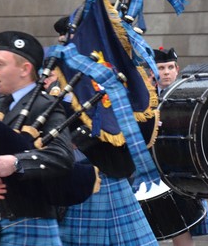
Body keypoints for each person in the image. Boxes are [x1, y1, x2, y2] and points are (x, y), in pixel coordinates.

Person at [51, 17, 157, 246]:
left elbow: (136, 130)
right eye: (61, 42)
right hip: (76, 182)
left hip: (108, 176)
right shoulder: (59, 87)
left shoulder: (108, 83)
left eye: (68, 42)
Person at [0, 31, 75, 245]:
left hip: (32, 222)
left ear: (25, 69)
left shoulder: (46, 106)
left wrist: (17, 163)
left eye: (0, 64)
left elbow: (62, 156)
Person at [155, 47, 208, 246]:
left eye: (170, 67)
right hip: (152, 173)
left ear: (177, 69)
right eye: (161, 68)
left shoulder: (189, 93)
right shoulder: (145, 96)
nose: (166, 72)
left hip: (181, 171)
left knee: (182, 232)